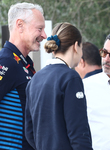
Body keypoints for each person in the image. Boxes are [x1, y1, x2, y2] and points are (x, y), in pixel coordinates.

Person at [25, 22, 93, 150]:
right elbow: (78, 131)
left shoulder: (35, 79)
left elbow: (29, 132)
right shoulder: (71, 78)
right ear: (76, 46)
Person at [0, 2, 46, 150]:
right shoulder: (6, 61)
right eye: (39, 29)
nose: (44, 35)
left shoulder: (24, 63)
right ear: (20, 25)